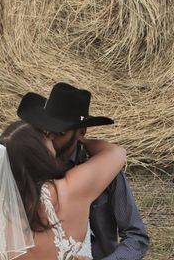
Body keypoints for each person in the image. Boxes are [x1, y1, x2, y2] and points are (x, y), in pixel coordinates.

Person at [0, 107, 126, 259]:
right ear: (40, 152)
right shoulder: (69, 188)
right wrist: (79, 138)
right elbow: (116, 153)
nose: (51, 137)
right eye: (46, 136)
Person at [17, 83, 150, 260]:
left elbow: (137, 237)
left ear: (81, 132)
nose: (51, 137)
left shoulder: (108, 172)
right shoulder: (33, 168)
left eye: (60, 132)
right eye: (48, 129)